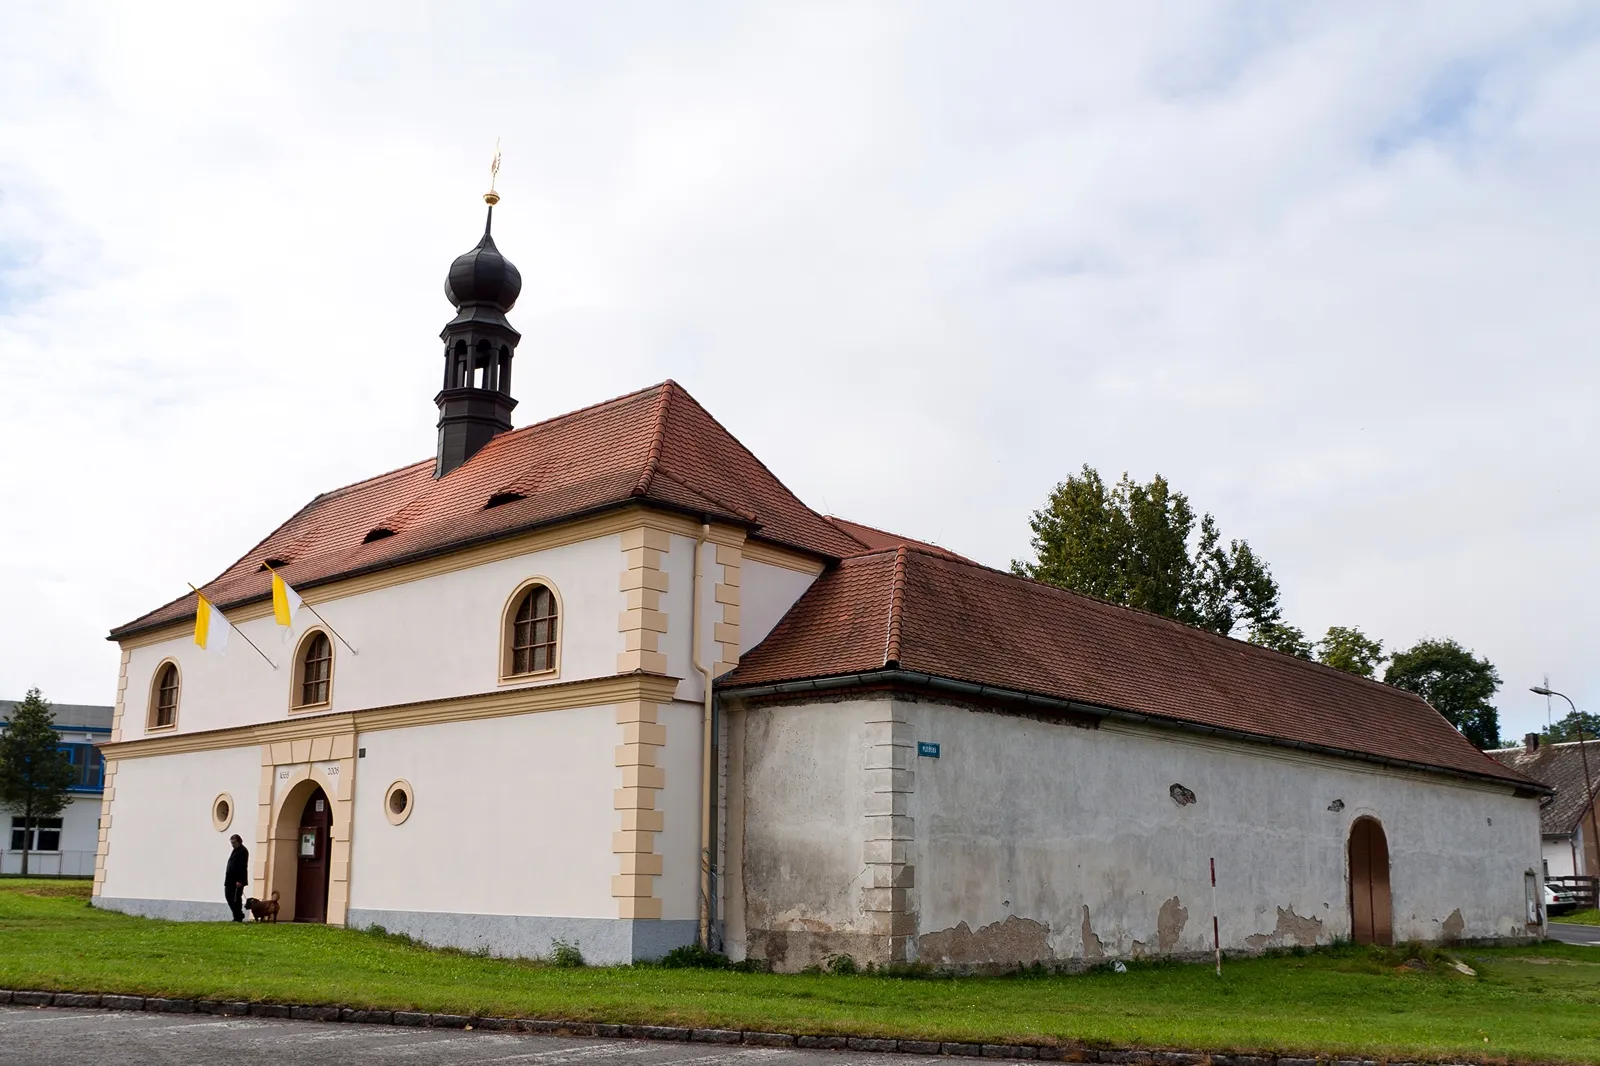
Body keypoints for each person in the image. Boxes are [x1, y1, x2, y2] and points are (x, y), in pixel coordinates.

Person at [224, 834, 249, 922]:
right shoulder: (235, 850)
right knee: (229, 897)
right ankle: (237, 914)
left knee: (236, 899)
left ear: (239, 842)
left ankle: (238, 916)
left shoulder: (243, 851)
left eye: (234, 842)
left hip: (237, 881)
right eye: (231, 843)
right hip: (230, 880)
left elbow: (242, 867)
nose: (232, 844)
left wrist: (239, 880)